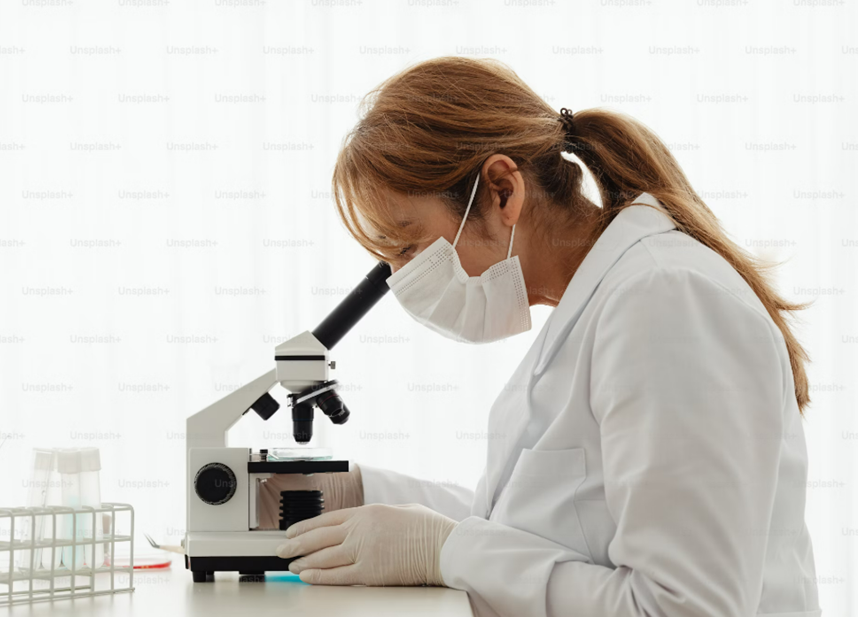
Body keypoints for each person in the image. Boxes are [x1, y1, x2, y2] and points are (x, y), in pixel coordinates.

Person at [260, 56, 821, 617]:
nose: (405, 280)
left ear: (503, 190)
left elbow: (685, 608)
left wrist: (444, 550)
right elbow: (531, 533)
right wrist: (357, 492)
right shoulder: (602, 301)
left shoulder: (665, 300)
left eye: (408, 248)